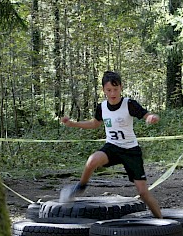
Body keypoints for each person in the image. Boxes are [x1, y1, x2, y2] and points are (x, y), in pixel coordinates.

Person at [60, 71, 162, 218]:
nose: (112, 93)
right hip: (112, 147)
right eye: (109, 90)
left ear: (121, 87)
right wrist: (72, 124)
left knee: (143, 193)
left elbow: (148, 115)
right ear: (103, 90)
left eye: (115, 89)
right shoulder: (102, 107)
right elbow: (95, 124)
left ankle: (162, 221)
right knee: (92, 160)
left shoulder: (129, 104)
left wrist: (153, 118)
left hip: (131, 150)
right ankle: (80, 187)